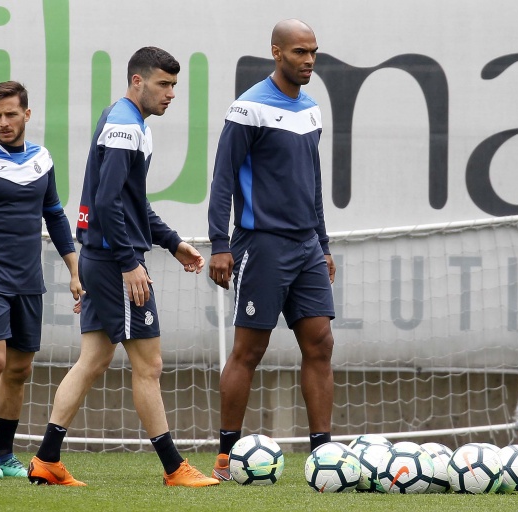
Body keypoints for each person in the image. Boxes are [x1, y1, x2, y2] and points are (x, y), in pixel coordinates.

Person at [27, 47, 218, 488]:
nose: (171, 93)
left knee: (93, 359)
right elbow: (107, 202)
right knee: (149, 365)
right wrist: (129, 263)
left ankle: (47, 459)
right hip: (116, 262)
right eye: (163, 84)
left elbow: (131, 202)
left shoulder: (126, 122)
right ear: (137, 80)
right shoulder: (125, 127)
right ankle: (174, 468)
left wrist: (172, 243)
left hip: (103, 257)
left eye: (174, 85)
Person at [207, 19, 336, 481]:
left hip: (307, 246)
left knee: (321, 342)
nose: (309, 61)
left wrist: (323, 243)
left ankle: (323, 456)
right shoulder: (248, 109)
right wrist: (219, 244)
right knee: (249, 350)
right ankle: (226, 457)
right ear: (277, 53)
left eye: (314, 52)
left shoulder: (312, 110)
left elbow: (313, 183)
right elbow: (223, 179)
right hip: (260, 244)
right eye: (300, 52)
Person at [0, 81, 82, 480]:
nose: (3, 122)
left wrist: (75, 270)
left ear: (27, 114)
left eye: (10, 114)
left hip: (29, 282)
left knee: (19, 371)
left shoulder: (42, 159)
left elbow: (54, 215)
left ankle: (6, 454)